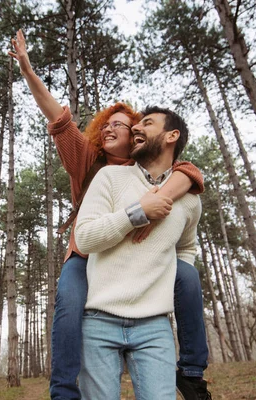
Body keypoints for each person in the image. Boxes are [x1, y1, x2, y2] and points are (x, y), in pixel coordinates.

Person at [9, 30, 209, 400]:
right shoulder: (91, 160)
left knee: (186, 275)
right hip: (85, 255)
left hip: (134, 273)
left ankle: (192, 371)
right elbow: (57, 115)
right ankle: (65, 391)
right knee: (69, 305)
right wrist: (27, 69)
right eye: (108, 123)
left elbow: (191, 171)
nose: (114, 127)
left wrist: (167, 193)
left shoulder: (154, 169)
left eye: (124, 123)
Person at [74, 107, 202, 399]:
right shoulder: (110, 177)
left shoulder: (190, 201)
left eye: (147, 123)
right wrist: (136, 214)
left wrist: (164, 287)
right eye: (135, 126)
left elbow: (186, 249)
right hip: (98, 321)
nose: (135, 129)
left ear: (172, 136)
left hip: (155, 327)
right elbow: (84, 238)